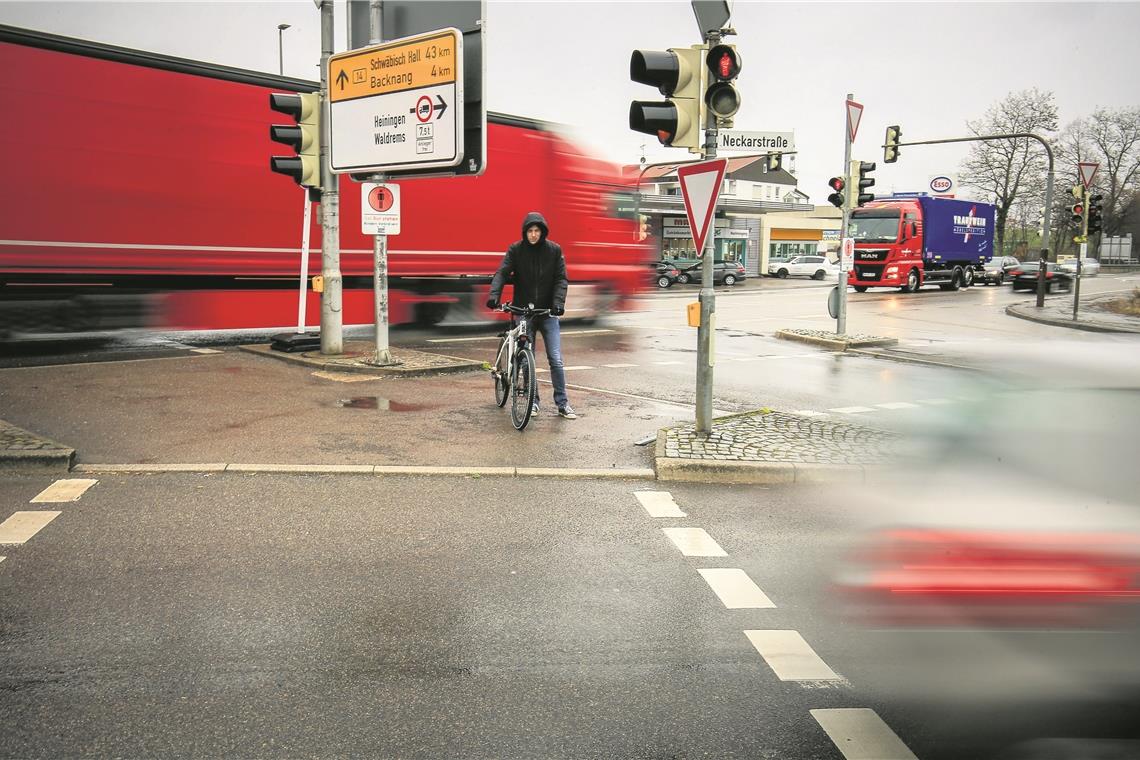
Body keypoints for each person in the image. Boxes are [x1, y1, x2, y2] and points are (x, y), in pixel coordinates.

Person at [486, 212, 577, 419]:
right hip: (523, 312)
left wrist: (557, 305)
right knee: (528, 360)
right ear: (525, 232)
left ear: (542, 232)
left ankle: (563, 404)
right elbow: (502, 272)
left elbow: (561, 279)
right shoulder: (516, 250)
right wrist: (494, 296)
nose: (533, 234)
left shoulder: (554, 250)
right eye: (530, 231)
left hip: (547, 313)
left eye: (537, 231)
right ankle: (533, 402)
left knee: (556, 358)